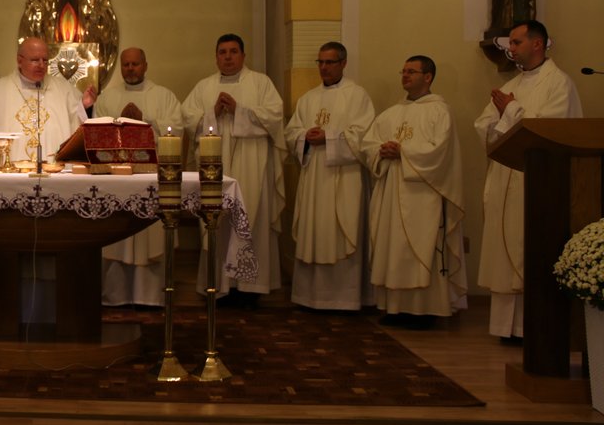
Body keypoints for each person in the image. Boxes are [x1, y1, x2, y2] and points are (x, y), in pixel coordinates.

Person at [475, 20, 582, 339]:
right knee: (505, 245)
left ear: (537, 44)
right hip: (506, 177)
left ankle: (532, 328)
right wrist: (501, 117)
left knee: (530, 246)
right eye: (510, 43)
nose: (510, 48)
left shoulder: (559, 84)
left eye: (516, 42)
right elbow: (484, 126)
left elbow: (551, 130)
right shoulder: (512, 85)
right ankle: (506, 327)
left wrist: (510, 111)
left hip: (538, 181)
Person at [181, 34, 286, 307]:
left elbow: (275, 117)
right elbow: (188, 119)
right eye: (222, 52)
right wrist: (213, 113)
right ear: (216, 57)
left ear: (243, 55)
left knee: (251, 220)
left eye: (233, 51)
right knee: (217, 223)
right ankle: (218, 286)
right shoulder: (204, 86)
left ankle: (250, 289)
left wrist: (240, 110)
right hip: (214, 167)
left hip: (253, 165)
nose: (228, 57)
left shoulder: (261, 83)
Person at [361, 56, 466, 328]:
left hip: (423, 195)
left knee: (420, 248)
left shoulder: (440, 112)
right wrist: (380, 152)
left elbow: (441, 152)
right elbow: (368, 144)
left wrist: (403, 152)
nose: (405, 76)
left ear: (428, 77)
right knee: (393, 249)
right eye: (403, 71)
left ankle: (425, 310)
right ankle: (395, 308)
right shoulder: (390, 114)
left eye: (412, 71)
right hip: (391, 192)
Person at [284, 42, 375, 312]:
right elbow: (291, 132)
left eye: (330, 62)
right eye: (320, 62)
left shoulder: (357, 96)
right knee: (314, 231)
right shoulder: (308, 99)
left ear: (343, 63)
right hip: (314, 176)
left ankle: (344, 298)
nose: (324, 68)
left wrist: (330, 137)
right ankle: (310, 296)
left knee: (341, 230)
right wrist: (304, 137)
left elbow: (364, 136)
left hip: (344, 177)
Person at [94, 47, 184, 307]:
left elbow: (177, 128)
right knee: (118, 237)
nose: (130, 69)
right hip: (118, 178)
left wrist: (146, 121)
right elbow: (96, 134)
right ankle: (116, 295)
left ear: (145, 65)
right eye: (126, 65)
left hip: (151, 177)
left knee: (149, 234)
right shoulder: (108, 97)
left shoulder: (163, 96)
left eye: (135, 64)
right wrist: (119, 122)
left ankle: (151, 296)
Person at [0, 36, 96, 168]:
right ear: (19, 61)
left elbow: (80, 128)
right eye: (35, 60)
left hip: (54, 173)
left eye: (45, 60)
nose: (41, 65)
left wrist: (85, 107)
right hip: (11, 176)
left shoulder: (64, 90)